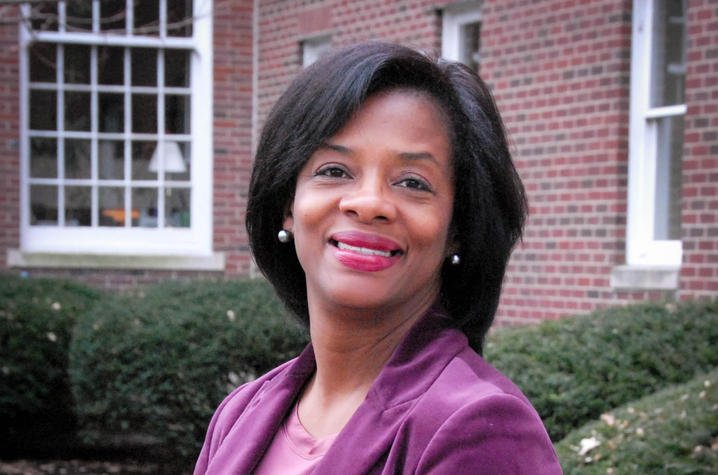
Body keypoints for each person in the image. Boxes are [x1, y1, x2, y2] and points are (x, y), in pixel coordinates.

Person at [194, 42, 562, 474]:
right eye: (334, 170)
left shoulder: (479, 428)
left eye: (412, 182)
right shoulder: (240, 414)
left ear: (457, 229)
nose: (369, 203)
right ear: (288, 206)